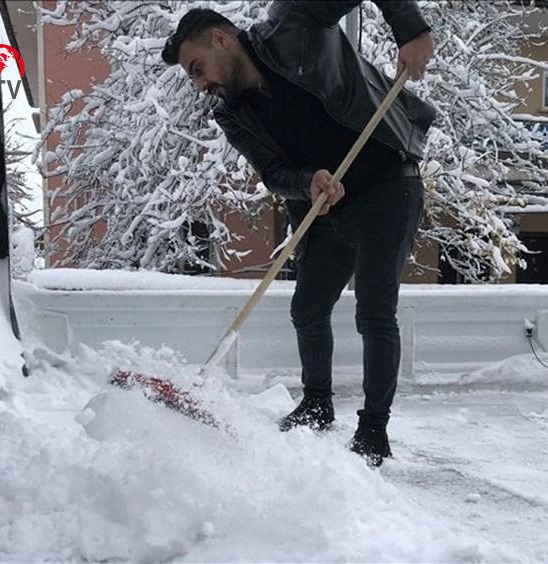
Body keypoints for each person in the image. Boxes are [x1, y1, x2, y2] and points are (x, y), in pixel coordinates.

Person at [163, 1, 435, 466]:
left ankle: (373, 429)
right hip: (328, 204)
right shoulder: (232, 115)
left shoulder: (294, 21)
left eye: (197, 68)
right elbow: (273, 172)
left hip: (388, 182)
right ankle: (317, 403)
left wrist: (410, 31)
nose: (200, 84)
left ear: (222, 39)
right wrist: (307, 181)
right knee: (307, 308)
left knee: (374, 311)